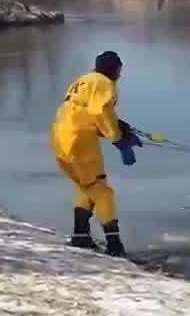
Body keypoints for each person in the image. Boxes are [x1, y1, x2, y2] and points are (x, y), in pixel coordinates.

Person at [49, 51, 142, 257]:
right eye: (119, 69)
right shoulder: (103, 83)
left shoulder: (84, 80)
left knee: (87, 186)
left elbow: (84, 112)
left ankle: (81, 236)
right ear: (114, 69)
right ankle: (115, 245)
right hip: (79, 140)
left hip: (60, 137)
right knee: (101, 190)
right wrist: (118, 139)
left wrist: (119, 125)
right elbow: (100, 112)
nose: (120, 74)